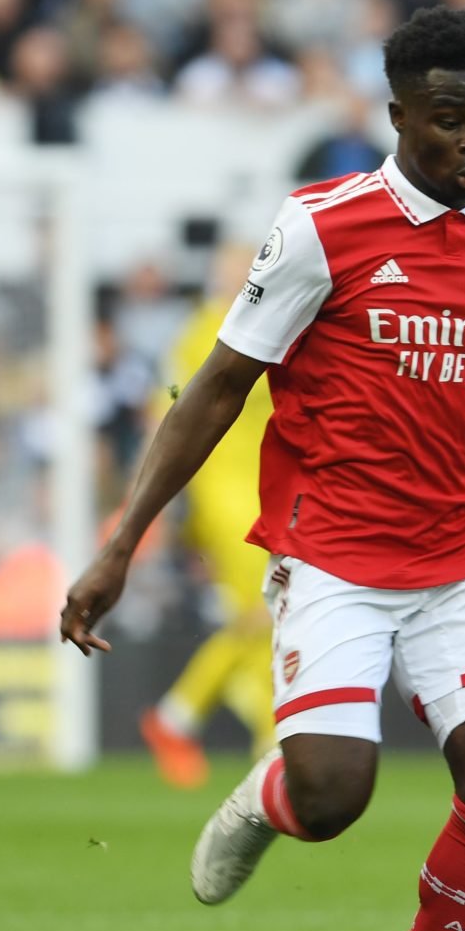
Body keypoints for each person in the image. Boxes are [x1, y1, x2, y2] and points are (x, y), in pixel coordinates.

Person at [60, 7, 465, 931]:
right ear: (399, 114)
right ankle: (269, 798)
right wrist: (120, 542)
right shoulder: (323, 225)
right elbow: (217, 388)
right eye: (449, 120)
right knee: (334, 799)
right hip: (337, 558)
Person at [140, 243, 278, 789]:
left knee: (261, 612)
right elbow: (172, 411)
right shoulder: (214, 328)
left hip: (248, 492)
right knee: (269, 608)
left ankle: (270, 738)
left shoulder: (225, 324)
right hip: (230, 495)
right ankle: (178, 715)